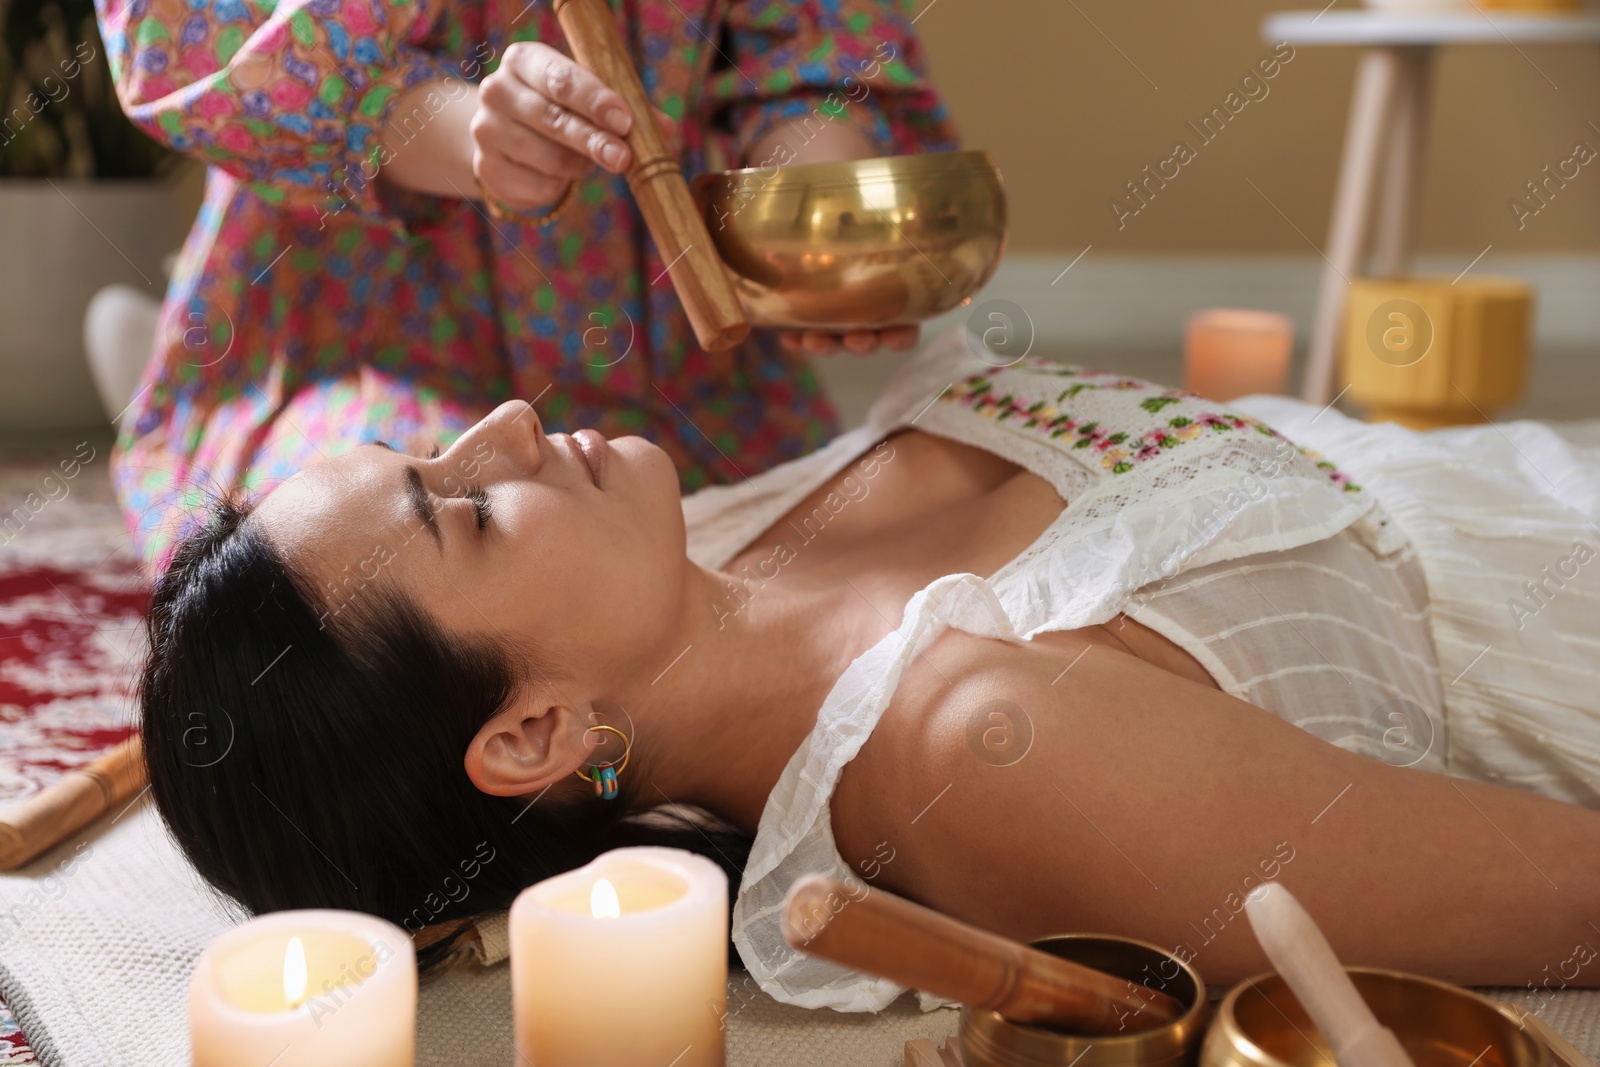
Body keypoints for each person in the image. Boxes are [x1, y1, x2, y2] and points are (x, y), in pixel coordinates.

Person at [139, 328, 1600, 1008]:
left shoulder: (703, 545)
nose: (512, 422)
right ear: (535, 732)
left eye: (434, 445)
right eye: (459, 505)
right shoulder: (982, 741)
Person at [95, 0, 955, 564]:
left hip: (671, 361)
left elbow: (814, 59)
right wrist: (467, 134)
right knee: (383, 576)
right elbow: (186, 37)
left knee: (808, 561)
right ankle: (213, 387)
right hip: (377, 337)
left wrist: (812, 223)